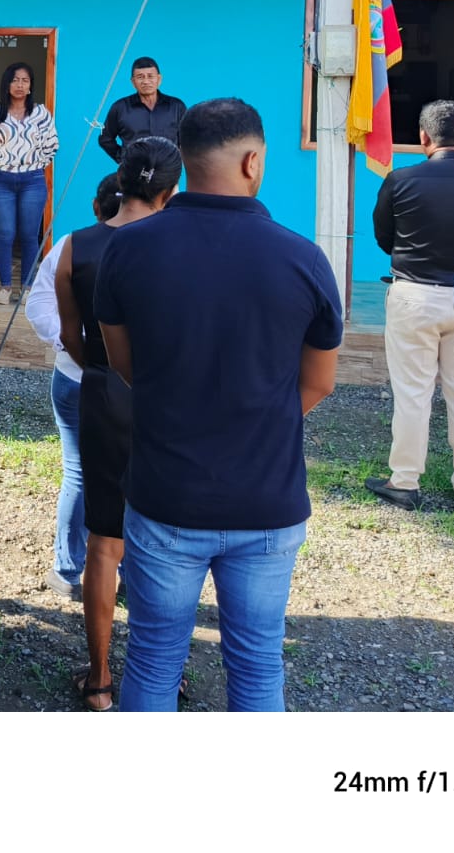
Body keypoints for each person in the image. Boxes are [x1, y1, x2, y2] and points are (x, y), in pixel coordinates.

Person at [97, 99, 342, 712]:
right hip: (267, 500)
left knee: (153, 660)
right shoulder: (304, 259)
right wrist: (255, 418)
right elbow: (319, 383)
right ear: (253, 162)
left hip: (165, 494)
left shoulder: (127, 249)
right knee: (258, 664)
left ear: (184, 161)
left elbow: (125, 365)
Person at [54, 137, 182, 710]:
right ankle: (162, 674)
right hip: (168, 399)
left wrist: (106, 371)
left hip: (104, 392)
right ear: (169, 191)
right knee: (168, 544)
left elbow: (70, 336)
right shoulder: (181, 246)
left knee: (104, 543)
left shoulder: (74, 248)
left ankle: (101, 680)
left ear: (120, 181)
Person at [365, 99, 454, 513]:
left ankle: (404, 481)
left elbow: (385, 239)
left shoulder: (400, 179)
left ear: (423, 137)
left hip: (413, 295)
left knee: (412, 393)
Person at [25, 173, 121, 602]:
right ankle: (131, 574)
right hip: (131, 383)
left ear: (96, 207)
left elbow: (38, 305)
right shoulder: (156, 246)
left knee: (79, 472)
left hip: (75, 375)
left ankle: (68, 570)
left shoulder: (71, 245)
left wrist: (72, 343)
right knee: (130, 474)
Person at [0, 61, 59, 304]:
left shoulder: (41, 113)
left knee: (29, 235)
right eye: (15, 80)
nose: (20, 85)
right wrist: (6, 163)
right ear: (7, 84)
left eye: (25, 80)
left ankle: (27, 287)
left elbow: (51, 145)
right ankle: (5, 287)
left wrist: (31, 164)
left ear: (31, 85)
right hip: (1, 180)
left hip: (32, 180)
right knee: (5, 234)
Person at [98, 56, 186, 163]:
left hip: (168, 169)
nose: (146, 81)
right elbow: (105, 139)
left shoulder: (176, 106)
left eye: (150, 76)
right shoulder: (120, 108)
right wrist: (123, 159)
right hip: (133, 170)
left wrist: (176, 160)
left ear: (159, 79)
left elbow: (188, 139)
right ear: (133, 81)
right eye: (140, 77)